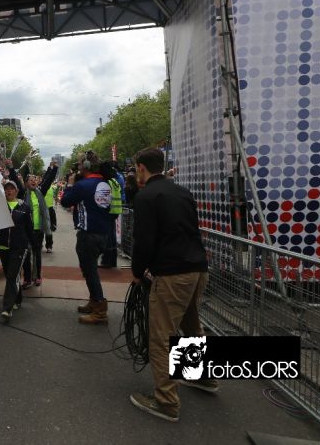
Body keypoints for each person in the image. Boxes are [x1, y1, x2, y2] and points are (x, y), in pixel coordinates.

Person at [128, 148, 213, 423]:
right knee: (191, 325)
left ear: (141, 168)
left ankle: (166, 401)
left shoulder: (146, 197)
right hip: (197, 268)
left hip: (172, 273)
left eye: (137, 169)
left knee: (162, 336)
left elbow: (144, 240)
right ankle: (202, 377)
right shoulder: (182, 192)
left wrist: (138, 272)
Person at [59, 151, 113, 325]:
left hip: (88, 235)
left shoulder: (82, 185)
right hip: (104, 233)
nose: (78, 167)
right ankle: (94, 301)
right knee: (91, 271)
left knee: (90, 272)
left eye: (80, 164)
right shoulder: (106, 183)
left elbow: (65, 202)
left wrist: (70, 184)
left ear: (87, 166)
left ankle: (100, 311)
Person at [9, 159, 58, 287]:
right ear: (26, 183)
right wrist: (11, 167)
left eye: (35, 180)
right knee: (26, 255)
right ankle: (27, 278)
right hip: (26, 230)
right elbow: (15, 179)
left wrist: (54, 168)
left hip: (38, 229)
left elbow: (48, 180)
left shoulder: (40, 192)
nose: (33, 181)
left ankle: (37, 276)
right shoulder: (23, 193)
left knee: (37, 254)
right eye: (30, 180)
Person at [0, 180, 34, 320]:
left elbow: (29, 228)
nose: (9, 191)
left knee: (12, 276)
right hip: (3, 246)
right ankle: (17, 299)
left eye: (11, 189)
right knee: (10, 275)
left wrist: (34, 244)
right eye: (6, 189)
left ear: (17, 191)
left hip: (19, 247)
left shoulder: (25, 207)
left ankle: (7, 308)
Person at [44, 180, 59, 253]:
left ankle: (49, 246)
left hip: (50, 209)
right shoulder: (40, 187)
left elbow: (56, 195)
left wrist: (56, 200)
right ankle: (38, 244)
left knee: (49, 229)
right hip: (40, 209)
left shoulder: (53, 187)